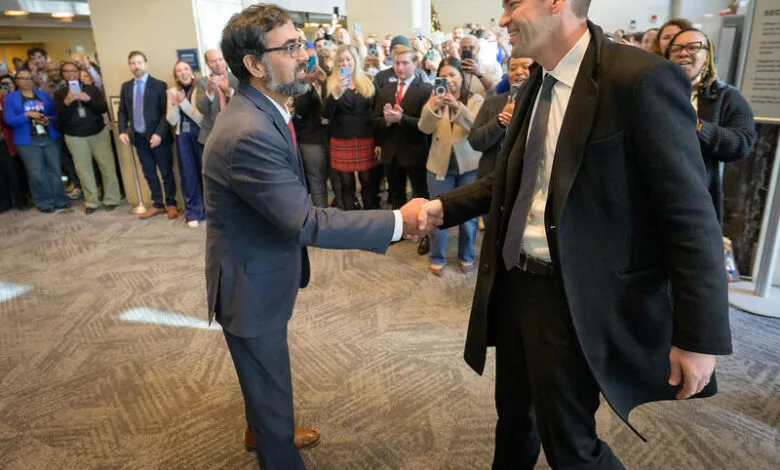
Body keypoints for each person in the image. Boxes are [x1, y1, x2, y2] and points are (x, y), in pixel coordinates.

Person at [417, 0, 731, 468]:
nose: (502, 19)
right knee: (514, 420)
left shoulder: (639, 79)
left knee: (571, 447)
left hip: (572, 296)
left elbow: (691, 215)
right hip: (515, 282)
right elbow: (514, 177)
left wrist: (699, 335)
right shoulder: (537, 81)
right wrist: (443, 208)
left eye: (512, 3)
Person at [202, 5, 428, 469]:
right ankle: (273, 442)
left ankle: (261, 427)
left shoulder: (261, 108)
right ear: (254, 64)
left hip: (259, 270)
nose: (304, 55)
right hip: (249, 285)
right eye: (290, 48)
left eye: (301, 43)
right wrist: (397, 221)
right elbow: (307, 222)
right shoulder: (248, 131)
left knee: (263, 377)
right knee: (269, 385)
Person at [666, 28, 757, 223]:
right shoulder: (654, 91)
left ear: (708, 55)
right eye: (676, 48)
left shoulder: (726, 96)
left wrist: (698, 127)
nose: (683, 53)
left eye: (693, 47)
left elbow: (743, 142)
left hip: (697, 200)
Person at [418, 57, 484, 276]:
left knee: (468, 217)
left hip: (469, 166)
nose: (448, 80)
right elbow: (424, 128)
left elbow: (478, 128)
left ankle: (466, 255)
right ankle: (437, 257)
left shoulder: (475, 99)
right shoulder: (434, 99)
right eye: (443, 76)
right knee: (436, 213)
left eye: (453, 75)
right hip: (439, 165)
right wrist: (431, 108)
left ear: (462, 77)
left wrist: (458, 107)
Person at [373, 44, 433, 255]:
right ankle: (399, 231)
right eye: (397, 63)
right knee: (396, 194)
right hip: (392, 153)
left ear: (415, 64)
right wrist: (387, 120)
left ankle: (426, 235)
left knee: (422, 195)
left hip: (416, 151)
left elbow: (427, 125)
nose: (400, 67)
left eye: (405, 63)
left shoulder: (425, 90)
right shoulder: (385, 91)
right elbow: (375, 121)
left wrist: (401, 118)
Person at [54, 61, 121, 214]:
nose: (70, 74)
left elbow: (103, 108)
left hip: (98, 132)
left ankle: (112, 198)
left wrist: (88, 100)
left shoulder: (91, 89)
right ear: (63, 75)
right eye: (66, 71)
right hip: (75, 136)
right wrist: (67, 102)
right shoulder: (60, 94)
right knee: (83, 170)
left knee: (107, 167)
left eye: (73, 70)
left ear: (78, 72)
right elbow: (60, 117)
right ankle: (91, 202)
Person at [118, 51, 178, 219]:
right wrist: (122, 130)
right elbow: (122, 111)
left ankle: (171, 203)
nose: (136, 66)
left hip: (159, 138)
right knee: (149, 172)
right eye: (132, 63)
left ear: (146, 64)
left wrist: (159, 134)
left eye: (139, 62)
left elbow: (166, 113)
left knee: (166, 172)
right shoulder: (126, 87)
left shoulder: (159, 85)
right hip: (138, 138)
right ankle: (157, 204)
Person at [323, 44, 381, 211]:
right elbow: (325, 114)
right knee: (346, 184)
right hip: (342, 138)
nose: (345, 63)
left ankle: (370, 215)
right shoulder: (331, 82)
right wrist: (336, 94)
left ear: (355, 60)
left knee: (368, 182)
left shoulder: (368, 80)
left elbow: (375, 113)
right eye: (340, 60)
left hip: (366, 137)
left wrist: (379, 141)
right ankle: (352, 218)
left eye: (348, 59)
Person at [3, 69, 68, 213]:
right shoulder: (11, 98)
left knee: (55, 170)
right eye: (23, 78)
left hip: (48, 136)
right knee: (36, 173)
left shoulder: (43, 95)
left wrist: (48, 120)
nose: (27, 81)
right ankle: (44, 202)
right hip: (27, 141)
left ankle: (60, 199)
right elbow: (9, 120)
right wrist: (26, 115)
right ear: (16, 81)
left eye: (29, 78)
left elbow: (54, 114)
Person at [469, 50, 532, 185]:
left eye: (525, 67)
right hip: (491, 179)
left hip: (527, 180)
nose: (518, 72)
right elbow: (475, 141)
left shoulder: (543, 103)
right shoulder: (492, 103)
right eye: (512, 69)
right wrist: (500, 121)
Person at [167, 60, 206, 227]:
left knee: (204, 173)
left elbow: (201, 119)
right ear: (176, 75)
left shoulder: (200, 88)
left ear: (192, 72)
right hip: (183, 136)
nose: (183, 72)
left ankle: (209, 209)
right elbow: (172, 120)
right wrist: (174, 105)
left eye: (186, 69)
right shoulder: (172, 91)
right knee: (188, 175)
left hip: (200, 135)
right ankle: (193, 212)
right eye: (179, 70)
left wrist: (183, 103)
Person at [196, 49, 239, 146]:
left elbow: (244, 104)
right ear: (207, 64)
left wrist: (228, 91)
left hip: (235, 132)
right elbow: (202, 110)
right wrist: (209, 92)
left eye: (220, 59)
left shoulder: (237, 79)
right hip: (211, 134)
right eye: (213, 61)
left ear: (225, 60)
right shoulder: (202, 82)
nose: (218, 64)